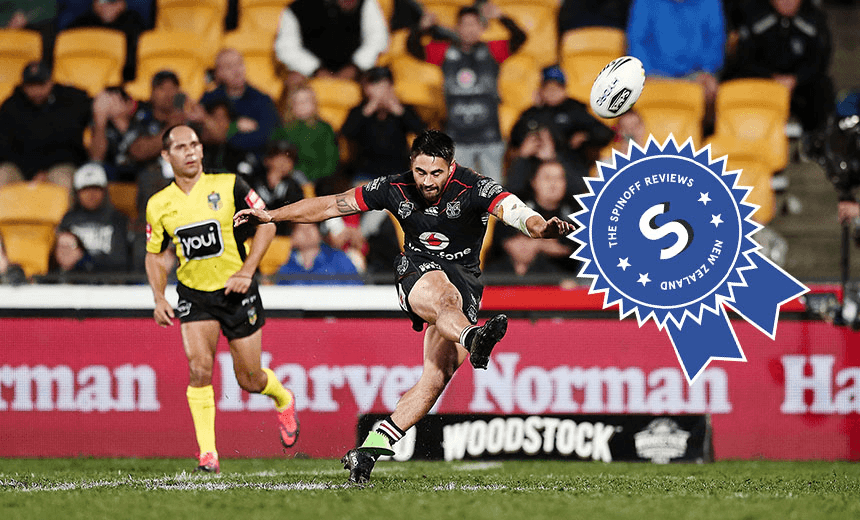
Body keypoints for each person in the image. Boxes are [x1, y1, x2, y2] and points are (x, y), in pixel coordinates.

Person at [234, 129, 573, 484]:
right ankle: (474, 338)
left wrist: (540, 227)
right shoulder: (393, 187)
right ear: (411, 164)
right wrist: (272, 216)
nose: (427, 181)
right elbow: (333, 203)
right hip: (417, 271)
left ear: (451, 166)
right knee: (444, 298)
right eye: (421, 172)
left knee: (435, 379)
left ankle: (367, 450)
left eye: (436, 173)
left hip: (466, 278)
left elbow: (515, 211)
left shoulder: (475, 186)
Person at [144, 124, 299, 473]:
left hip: (236, 292)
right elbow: (154, 254)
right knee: (199, 369)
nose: (191, 151)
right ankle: (208, 455)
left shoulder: (229, 184)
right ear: (167, 156)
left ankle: (282, 398)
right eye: (181, 146)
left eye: (195, 144)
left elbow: (268, 223)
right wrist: (158, 297)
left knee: (250, 378)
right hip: (194, 296)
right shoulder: (159, 204)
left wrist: (247, 271)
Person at [406, 2, 527, 182]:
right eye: (465, 24)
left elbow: (520, 38)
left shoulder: (493, 50)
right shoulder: (446, 51)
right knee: (459, 194)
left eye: (474, 24)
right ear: (457, 28)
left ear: (481, 27)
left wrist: (502, 17)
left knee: (493, 192)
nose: (470, 29)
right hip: (458, 139)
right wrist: (421, 28)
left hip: (490, 138)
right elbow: (414, 49)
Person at [727, 0, 834, 132]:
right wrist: (771, 78)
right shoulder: (752, 16)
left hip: (800, 85)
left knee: (823, 88)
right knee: (733, 84)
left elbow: (821, 60)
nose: (787, 2)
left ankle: (819, 139)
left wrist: (796, 79)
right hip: (761, 81)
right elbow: (743, 59)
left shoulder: (814, 18)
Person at [626, 0, 725, 120]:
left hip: (696, 74)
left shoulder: (711, 2)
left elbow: (716, 41)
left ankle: (702, 135)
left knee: (711, 88)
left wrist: (707, 70)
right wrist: (645, 72)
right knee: (634, 89)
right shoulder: (644, 2)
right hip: (654, 74)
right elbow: (637, 41)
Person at [0, 61, 91, 191]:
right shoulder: (11, 106)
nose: (36, 91)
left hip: (59, 165)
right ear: (23, 86)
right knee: (2, 175)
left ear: (51, 82)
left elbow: (71, 145)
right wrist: (31, 172)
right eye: (31, 86)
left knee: (64, 181)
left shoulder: (71, 101)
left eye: (41, 85)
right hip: (21, 167)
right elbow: (4, 148)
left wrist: (44, 173)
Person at [509, 65, 613, 178]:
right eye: (548, 88)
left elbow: (606, 133)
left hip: (570, 166)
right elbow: (513, 140)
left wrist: (586, 137)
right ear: (541, 90)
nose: (553, 92)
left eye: (557, 88)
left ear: (564, 90)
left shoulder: (575, 109)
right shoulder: (531, 113)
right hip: (537, 168)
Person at [486, 160, 579, 278]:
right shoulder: (516, 207)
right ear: (533, 182)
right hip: (510, 276)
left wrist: (536, 244)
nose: (553, 184)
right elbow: (505, 243)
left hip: (563, 278)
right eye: (547, 178)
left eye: (559, 178)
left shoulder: (576, 212)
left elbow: (573, 250)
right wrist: (546, 245)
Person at [200, 49, 283, 174]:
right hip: (214, 168)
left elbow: (265, 137)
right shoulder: (208, 99)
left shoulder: (262, 100)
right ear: (218, 73)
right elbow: (202, 135)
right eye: (229, 67)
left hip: (254, 170)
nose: (236, 71)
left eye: (239, 64)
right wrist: (235, 126)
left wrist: (222, 133)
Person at [340, 65, 427, 182]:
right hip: (366, 171)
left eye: (383, 85)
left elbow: (421, 131)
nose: (379, 91)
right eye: (374, 86)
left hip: (398, 171)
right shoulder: (358, 111)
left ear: (391, 86)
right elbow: (347, 133)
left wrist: (400, 112)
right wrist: (367, 110)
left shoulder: (404, 109)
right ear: (366, 89)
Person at [274, 0, 389, 85]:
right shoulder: (295, 9)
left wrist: (355, 66)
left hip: (359, 71)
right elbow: (286, 48)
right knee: (293, 80)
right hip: (310, 74)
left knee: (379, 81)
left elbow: (378, 39)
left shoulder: (367, 3)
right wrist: (315, 70)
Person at [57, 162, 132, 273]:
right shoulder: (68, 219)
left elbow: (121, 261)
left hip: (110, 282)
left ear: (105, 191)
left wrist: (86, 260)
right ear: (77, 193)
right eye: (85, 189)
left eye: (96, 188)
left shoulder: (118, 219)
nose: (91, 194)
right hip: (74, 282)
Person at [272, 85, 339, 184]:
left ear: (314, 103)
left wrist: (310, 176)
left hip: (318, 178)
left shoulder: (324, 128)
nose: (302, 105)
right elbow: (275, 153)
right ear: (291, 106)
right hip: (289, 176)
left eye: (306, 101)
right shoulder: (284, 129)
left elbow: (330, 162)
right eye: (298, 102)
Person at [67, 0, 146, 81]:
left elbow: (135, 64)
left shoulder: (134, 24)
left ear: (123, 4)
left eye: (113, 2)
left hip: (122, 81)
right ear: (94, 4)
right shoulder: (80, 25)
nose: (107, 7)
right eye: (102, 2)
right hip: (85, 79)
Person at [89, 86, 146, 181]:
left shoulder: (142, 119)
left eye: (115, 100)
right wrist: (100, 119)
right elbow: (96, 158)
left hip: (140, 171)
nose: (108, 104)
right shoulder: (101, 127)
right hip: (113, 174)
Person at [276, 222, 362, 284]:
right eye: (300, 229)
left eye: (311, 227)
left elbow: (356, 287)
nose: (307, 232)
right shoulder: (286, 266)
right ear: (292, 236)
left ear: (319, 232)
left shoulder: (339, 259)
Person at [253, 139, 308, 236]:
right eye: (278, 157)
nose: (283, 162)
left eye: (289, 158)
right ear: (267, 160)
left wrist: (277, 187)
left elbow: (296, 216)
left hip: (284, 239)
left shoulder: (294, 187)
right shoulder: (253, 181)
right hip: (254, 237)